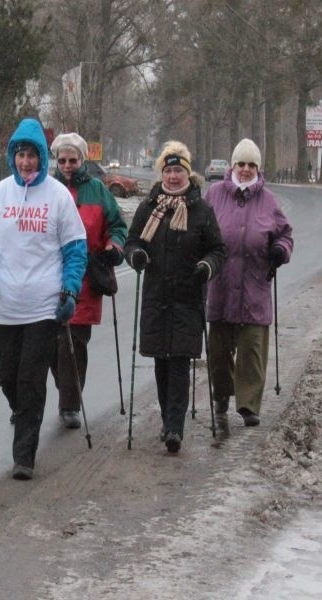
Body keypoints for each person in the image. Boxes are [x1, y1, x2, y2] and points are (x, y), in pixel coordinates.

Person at [0, 118, 87, 480]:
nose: (26, 162)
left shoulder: (57, 197)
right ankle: (27, 416)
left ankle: (24, 456)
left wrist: (69, 290)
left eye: (32, 155)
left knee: (31, 380)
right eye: (21, 155)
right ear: (13, 156)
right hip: (5, 308)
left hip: (42, 307)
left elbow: (75, 250)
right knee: (7, 376)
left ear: (42, 158)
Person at [124, 141, 225, 454]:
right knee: (161, 363)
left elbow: (218, 250)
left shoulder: (201, 209)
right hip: (156, 296)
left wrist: (207, 267)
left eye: (178, 170)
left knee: (180, 362)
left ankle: (174, 428)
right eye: (168, 171)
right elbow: (132, 243)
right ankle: (169, 418)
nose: (173, 176)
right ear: (162, 174)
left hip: (188, 296)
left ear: (188, 173)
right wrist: (137, 256)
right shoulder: (149, 206)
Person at [205, 138, 293, 427]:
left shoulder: (268, 201)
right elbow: (200, 229)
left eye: (251, 165)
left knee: (251, 350)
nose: (245, 169)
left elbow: (284, 234)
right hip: (220, 285)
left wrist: (281, 250)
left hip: (255, 284)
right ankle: (222, 394)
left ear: (258, 167)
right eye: (240, 164)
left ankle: (249, 404)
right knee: (217, 350)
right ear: (232, 165)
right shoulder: (214, 195)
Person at [48, 133, 128, 429]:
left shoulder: (97, 189)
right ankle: (66, 391)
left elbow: (118, 226)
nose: (68, 165)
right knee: (49, 345)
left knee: (75, 342)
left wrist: (114, 247)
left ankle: (69, 404)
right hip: (48, 276)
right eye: (62, 160)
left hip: (85, 277)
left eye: (73, 160)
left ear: (83, 160)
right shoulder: (48, 188)